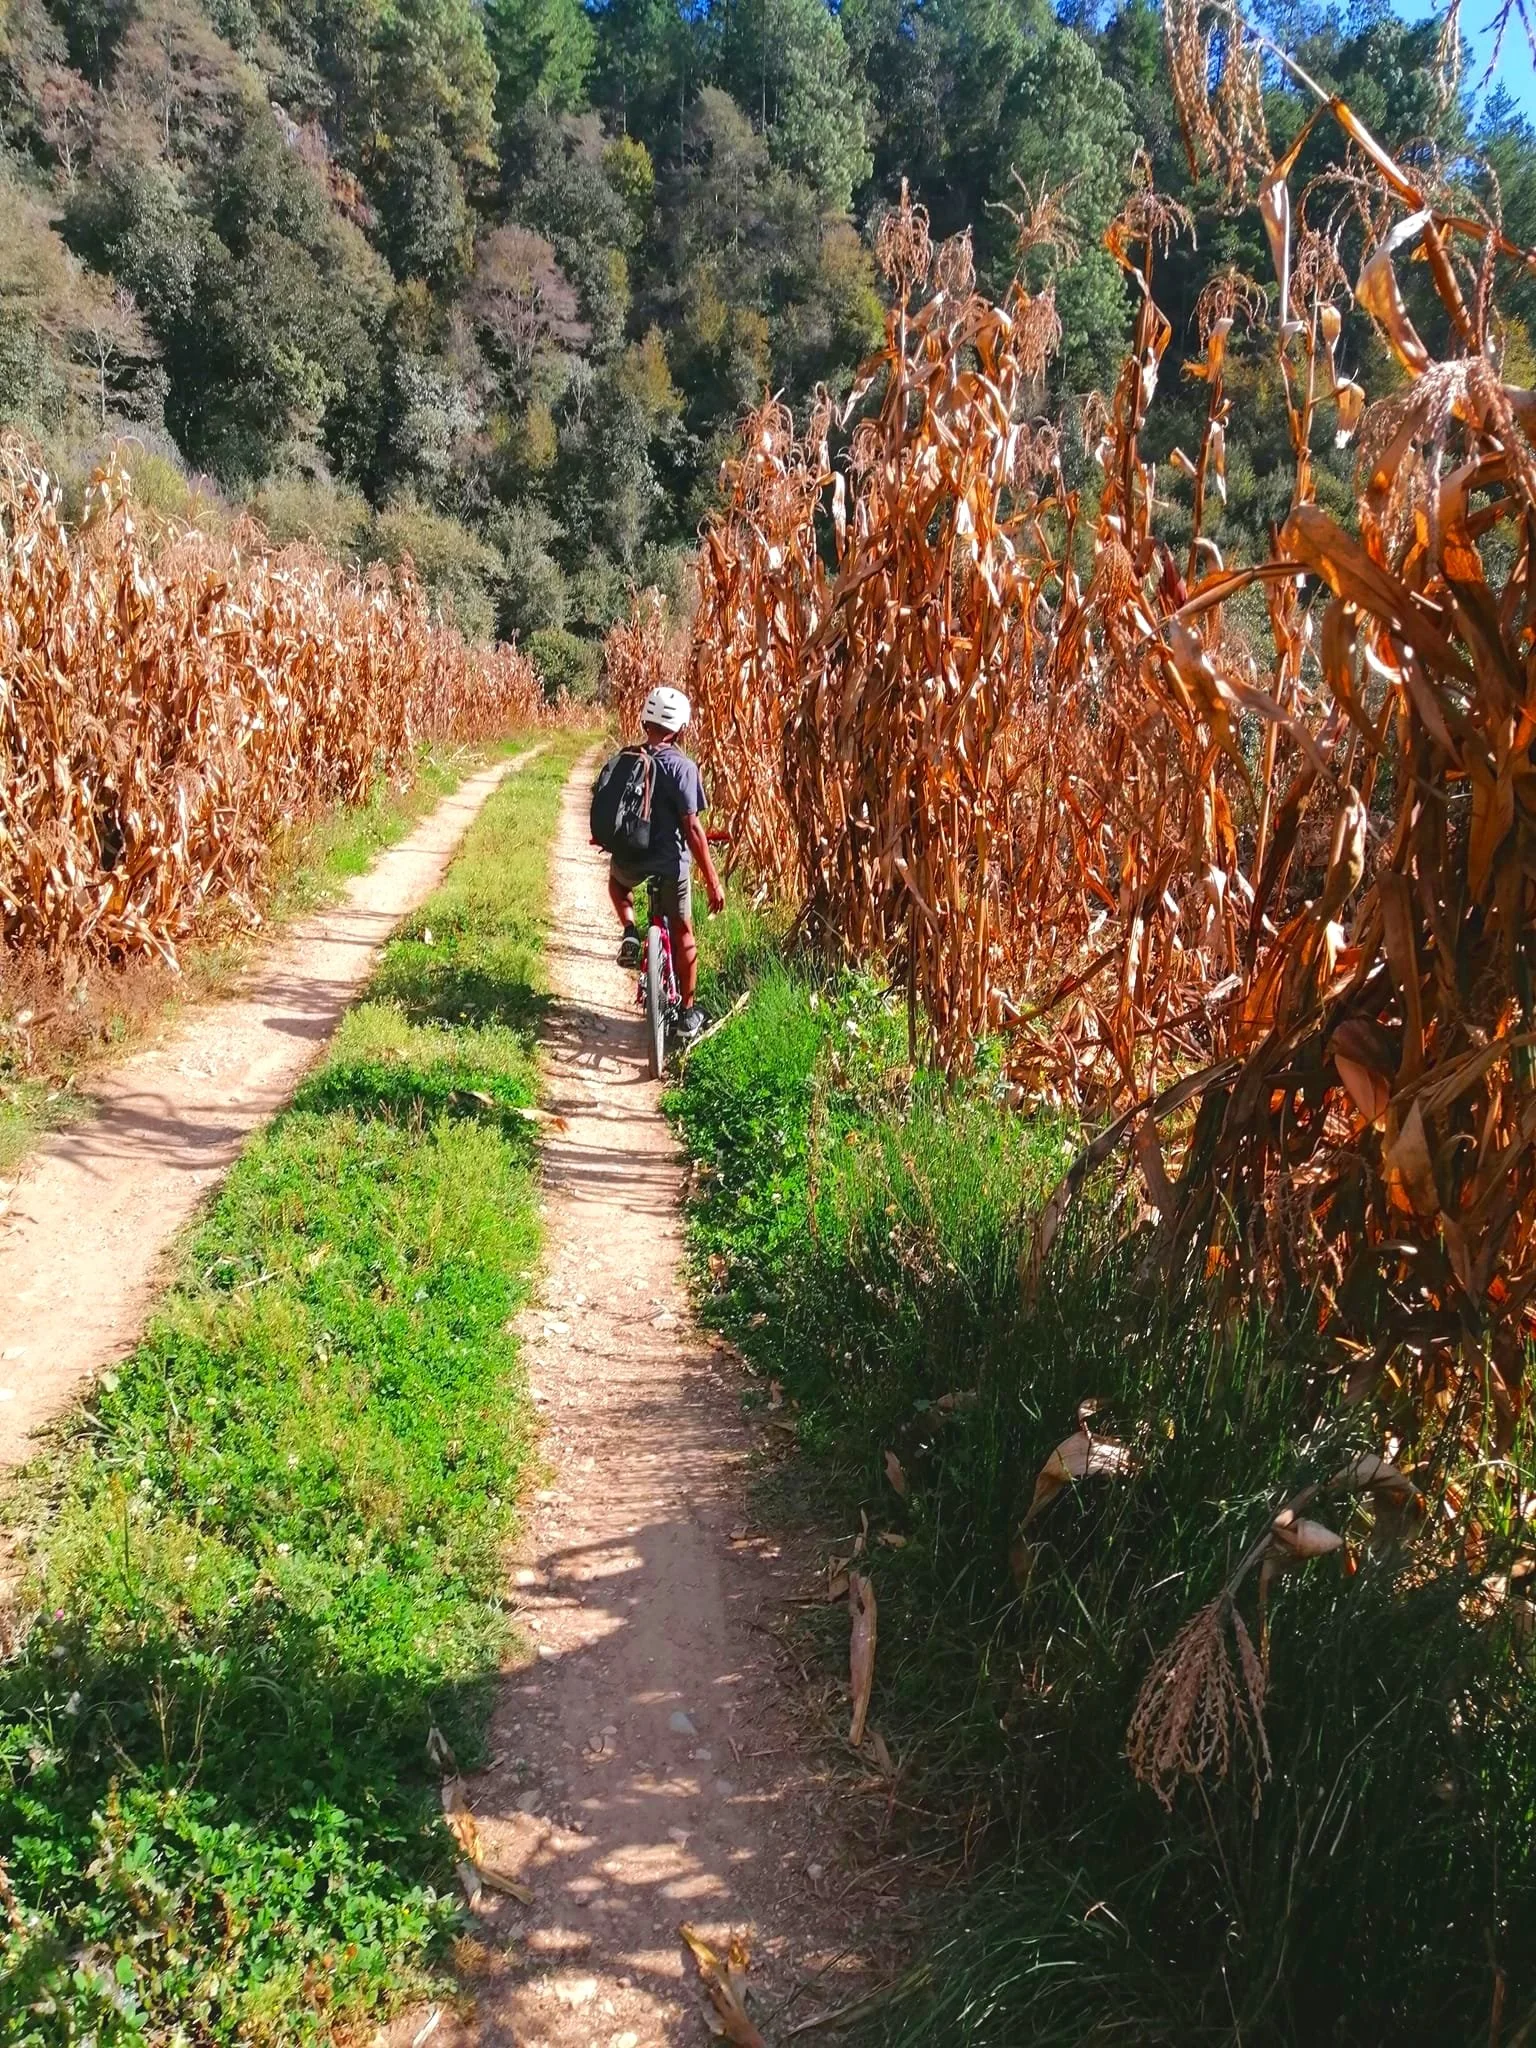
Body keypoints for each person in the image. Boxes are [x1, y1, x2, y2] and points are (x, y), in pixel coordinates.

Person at [608, 685, 725, 1040]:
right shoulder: (683, 768)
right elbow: (691, 828)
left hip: (632, 857)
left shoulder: (627, 758)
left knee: (617, 883)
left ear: (645, 721)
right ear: (681, 728)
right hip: (671, 864)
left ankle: (630, 931)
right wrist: (712, 879)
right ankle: (687, 1015)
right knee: (683, 932)